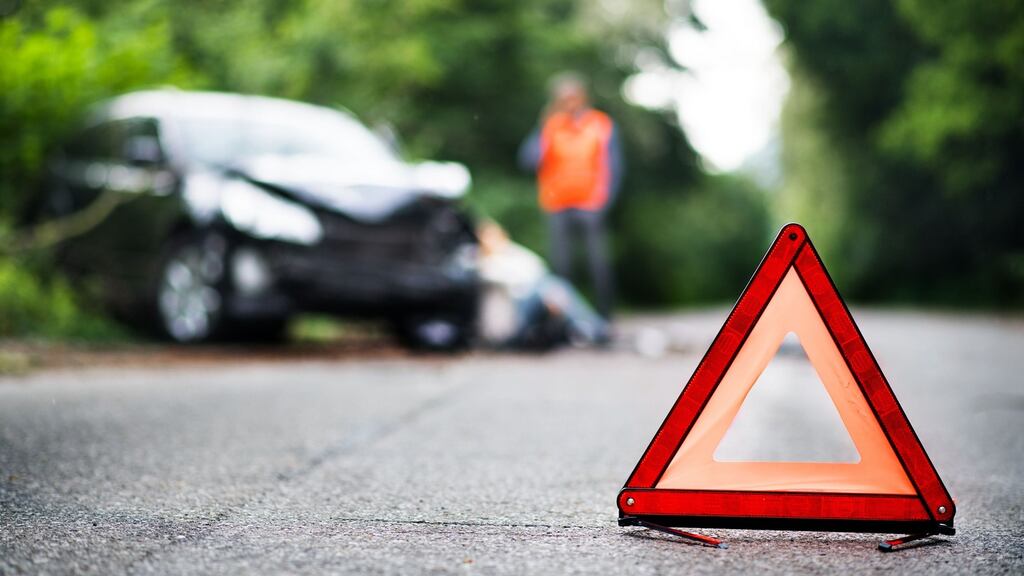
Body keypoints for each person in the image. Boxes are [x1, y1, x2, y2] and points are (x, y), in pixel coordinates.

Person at [518, 72, 624, 319]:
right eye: (563, 99)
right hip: (557, 203)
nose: (569, 102)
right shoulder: (551, 126)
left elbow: (615, 166)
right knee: (561, 266)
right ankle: (567, 321)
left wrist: (604, 202)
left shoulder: (601, 124)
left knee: (598, 264)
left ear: (583, 97)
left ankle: (605, 318)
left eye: (573, 97)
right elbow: (528, 160)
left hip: (591, 204)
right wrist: (543, 127)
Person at [476, 220, 609, 350]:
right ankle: (591, 327)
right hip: (518, 306)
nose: (491, 240)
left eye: (494, 235)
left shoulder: (513, 252)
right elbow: (505, 279)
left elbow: (538, 267)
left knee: (554, 286)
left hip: (535, 295)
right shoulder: (481, 261)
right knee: (553, 287)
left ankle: (585, 327)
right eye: (487, 237)